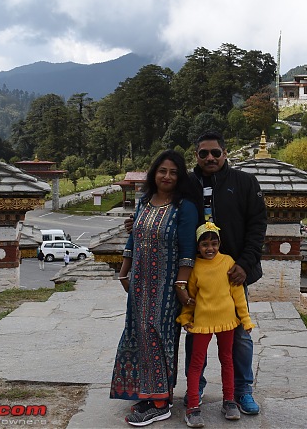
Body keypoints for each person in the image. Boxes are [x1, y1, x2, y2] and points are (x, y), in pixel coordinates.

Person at [110, 150, 198, 426]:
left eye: (173, 172)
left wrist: (181, 286)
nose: (167, 176)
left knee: (158, 336)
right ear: (154, 173)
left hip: (166, 286)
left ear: (179, 176)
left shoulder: (184, 207)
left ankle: (160, 401)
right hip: (139, 283)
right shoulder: (144, 202)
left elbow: (187, 251)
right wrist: (124, 274)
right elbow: (133, 239)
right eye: (162, 171)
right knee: (137, 333)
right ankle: (147, 393)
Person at [186, 131, 267, 415]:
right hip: (196, 274)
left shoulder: (244, 183)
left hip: (233, 274)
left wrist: (245, 264)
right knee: (195, 334)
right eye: (203, 153)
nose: (210, 158)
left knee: (240, 336)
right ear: (195, 155)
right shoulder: (186, 184)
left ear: (225, 153)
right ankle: (194, 389)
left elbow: (257, 225)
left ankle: (243, 391)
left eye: (215, 153)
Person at [177, 222, 254, 428]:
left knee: (227, 360)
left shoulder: (229, 262)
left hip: (227, 322)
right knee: (196, 364)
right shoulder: (195, 267)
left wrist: (245, 319)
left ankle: (229, 401)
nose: (209, 248)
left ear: (220, 243)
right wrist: (186, 318)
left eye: (214, 243)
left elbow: (238, 295)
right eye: (204, 244)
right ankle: (193, 406)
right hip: (202, 323)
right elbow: (190, 298)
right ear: (198, 246)